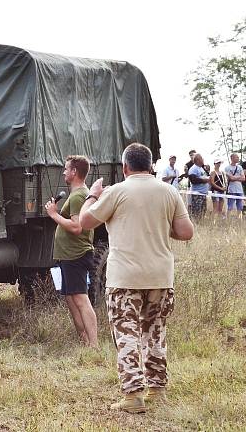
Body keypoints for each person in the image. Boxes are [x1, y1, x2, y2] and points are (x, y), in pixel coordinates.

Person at [79, 142, 194, 413]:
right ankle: (157, 390)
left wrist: (93, 195)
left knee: (126, 333)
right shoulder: (169, 191)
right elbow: (186, 232)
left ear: (125, 167)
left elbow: (84, 222)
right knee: (155, 332)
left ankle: (133, 395)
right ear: (152, 165)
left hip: (125, 278)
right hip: (160, 276)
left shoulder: (117, 191)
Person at [44, 155, 97, 347]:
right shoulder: (78, 194)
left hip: (76, 254)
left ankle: (94, 345)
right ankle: (84, 342)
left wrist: (54, 214)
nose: (64, 172)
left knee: (81, 299)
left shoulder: (78, 196)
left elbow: (77, 227)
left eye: (66, 169)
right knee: (71, 299)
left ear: (74, 172)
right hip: (68, 256)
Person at [187, 153, 209, 221]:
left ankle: (200, 224)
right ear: (198, 160)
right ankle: (195, 224)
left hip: (203, 194)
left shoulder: (201, 168)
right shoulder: (193, 169)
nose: (203, 160)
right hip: (197, 194)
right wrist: (204, 180)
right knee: (197, 212)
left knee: (203, 211)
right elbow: (193, 180)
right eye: (201, 158)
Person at [225, 153, 244, 218]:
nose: (238, 159)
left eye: (238, 157)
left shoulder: (240, 167)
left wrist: (235, 177)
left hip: (239, 189)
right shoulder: (227, 168)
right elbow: (231, 178)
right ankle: (228, 219)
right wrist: (239, 177)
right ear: (232, 158)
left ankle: (239, 219)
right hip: (231, 189)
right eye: (236, 157)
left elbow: (243, 178)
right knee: (230, 206)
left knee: (240, 206)